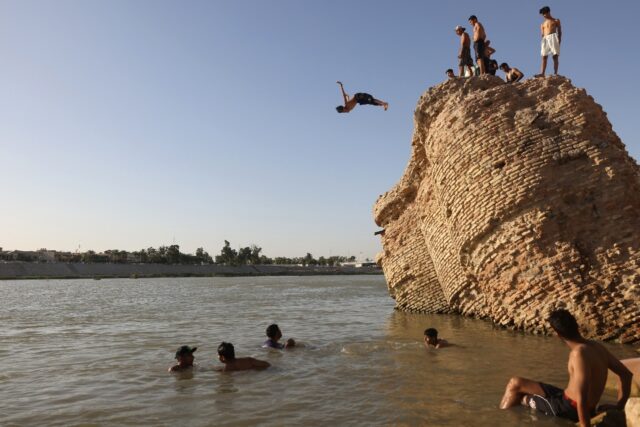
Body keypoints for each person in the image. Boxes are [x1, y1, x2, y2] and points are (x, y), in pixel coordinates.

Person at [499, 309, 633, 427]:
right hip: (569, 399)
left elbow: (582, 396)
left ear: (558, 335)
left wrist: (585, 425)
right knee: (515, 383)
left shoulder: (578, 354)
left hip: (569, 408)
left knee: (523, 398)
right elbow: (626, 375)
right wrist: (619, 406)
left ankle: (502, 420)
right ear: (576, 325)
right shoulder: (597, 347)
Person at [537, 6, 561, 76]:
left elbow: (560, 31)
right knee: (544, 56)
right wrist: (542, 41)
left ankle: (555, 73)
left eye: (544, 13)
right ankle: (542, 73)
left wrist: (559, 40)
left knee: (555, 56)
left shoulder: (556, 20)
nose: (543, 15)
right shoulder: (542, 24)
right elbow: (542, 34)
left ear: (548, 12)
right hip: (545, 38)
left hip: (553, 36)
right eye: (542, 14)